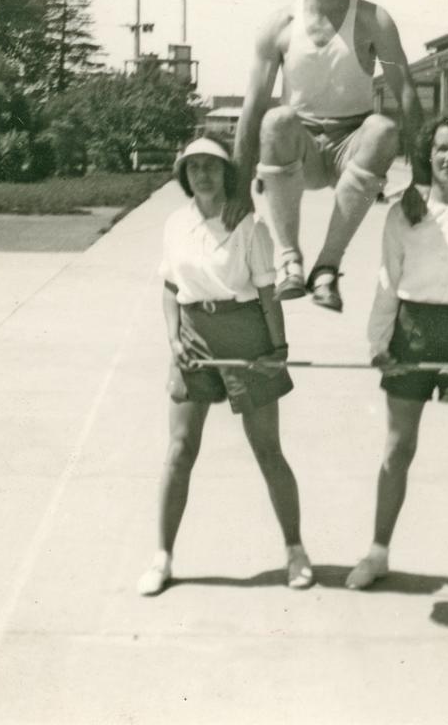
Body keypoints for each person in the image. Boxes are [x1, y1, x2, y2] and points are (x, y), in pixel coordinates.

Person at [346, 115, 448, 609]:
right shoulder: (404, 214)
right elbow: (385, 282)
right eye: (441, 149)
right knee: (398, 451)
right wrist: (378, 345)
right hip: (412, 334)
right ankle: (377, 554)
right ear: (428, 155)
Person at [137, 134, 313, 596]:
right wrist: (172, 338)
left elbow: (269, 294)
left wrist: (278, 349)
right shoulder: (175, 224)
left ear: (225, 174)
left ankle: (295, 550)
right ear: (184, 175)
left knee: (267, 450)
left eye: (211, 166)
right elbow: (171, 288)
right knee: (179, 450)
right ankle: (163, 557)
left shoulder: (249, 226)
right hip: (193, 338)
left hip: (245, 334)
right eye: (193, 167)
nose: (202, 174)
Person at [225, 0, 426, 313]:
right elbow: (252, 108)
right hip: (300, 151)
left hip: (351, 147)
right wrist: (239, 186)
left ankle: (327, 267)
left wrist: (422, 179)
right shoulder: (279, 26)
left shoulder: (372, 20)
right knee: (276, 119)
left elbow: (405, 92)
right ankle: (290, 260)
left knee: (383, 128)